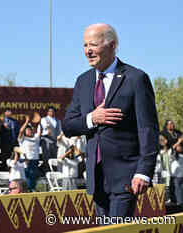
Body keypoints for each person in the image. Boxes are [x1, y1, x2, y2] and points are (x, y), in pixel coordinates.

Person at [62, 23, 159, 219]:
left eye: (93, 45)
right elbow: (68, 125)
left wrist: (143, 172)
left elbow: (148, 129)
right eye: (84, 45)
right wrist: (92, 118)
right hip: (96, 179)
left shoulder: (136, 78)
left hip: (126, 176)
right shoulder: (83, 81)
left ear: (112, 45)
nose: (88, 51)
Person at [18, 115, 41, 192]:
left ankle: (32, 189)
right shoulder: (22, 139)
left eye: (30, 130)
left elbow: (39, 131)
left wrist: (38, 122)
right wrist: (26, 122)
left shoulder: (36, 138)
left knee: (33, 176)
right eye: (27, 130)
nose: (29, 131)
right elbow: (21, 131)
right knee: (26, 176)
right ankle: (25, 190)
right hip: (25, 160)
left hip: (34, 159)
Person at [39, 106, 62, 174]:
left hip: (55, 141)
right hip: (46, 140)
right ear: (47, 112)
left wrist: (60, 136)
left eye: (52, 111)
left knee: (54, 157)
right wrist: (47, 130)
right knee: (46, 157)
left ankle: (54, 172)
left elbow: (60, 130)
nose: (51, 112)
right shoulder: (44, 119)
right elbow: (45, 127)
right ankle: (46, 172)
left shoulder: (58, 121)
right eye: (50, 111)